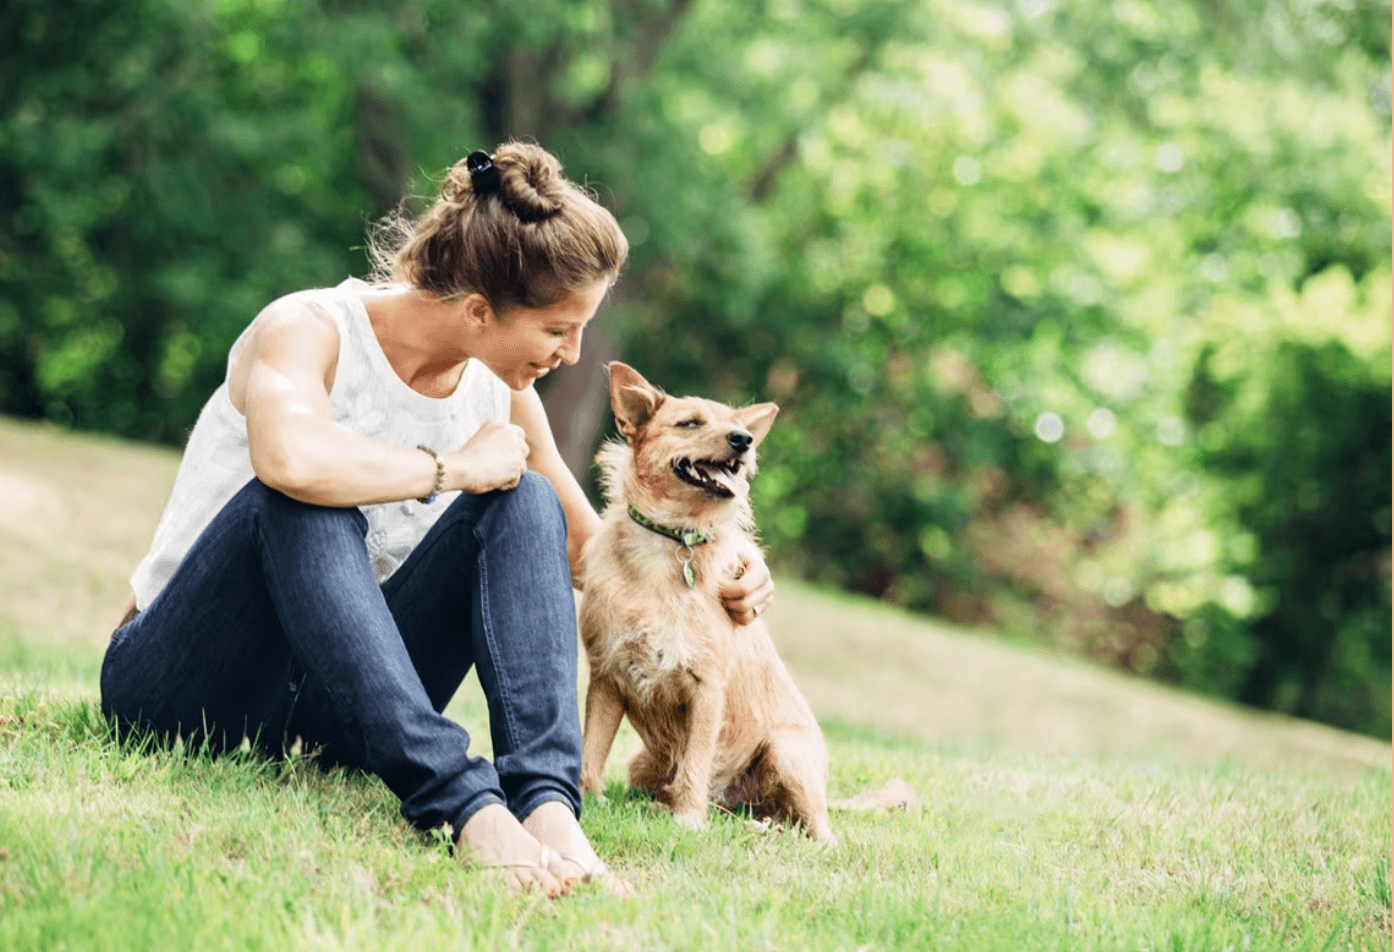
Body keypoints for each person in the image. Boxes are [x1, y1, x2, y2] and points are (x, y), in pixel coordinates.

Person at [100, 142, 776, 897]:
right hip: (190, 687)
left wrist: (716, 555)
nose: (572, 353)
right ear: (480, 311)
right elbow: (288, 459)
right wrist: (450, 469)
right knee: (301, 500)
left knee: (524, 499)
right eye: (557, 330)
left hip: (334, 711)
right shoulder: (308, 328)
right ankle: (465, 807)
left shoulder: (498, 390)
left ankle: (548, 804)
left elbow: (594, 551)